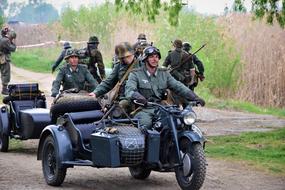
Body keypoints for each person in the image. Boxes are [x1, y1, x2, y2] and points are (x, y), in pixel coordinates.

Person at [125, 46, 205, 129]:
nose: (155, 59)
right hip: (144, 109)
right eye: (151, 57)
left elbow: (178, 86)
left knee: (178, 123)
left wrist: (195, 97)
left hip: (163, 108)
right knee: (145, 125)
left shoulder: (164, 73)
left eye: (156, 57)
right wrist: (138, 97)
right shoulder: (136, 74)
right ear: (145, 59)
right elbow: (129, 90)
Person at [89, 42, 142, 112]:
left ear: (133, 53)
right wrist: (96, 92)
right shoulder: (119, 66)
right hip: (123, 99)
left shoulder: (142, 65)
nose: (126, 59)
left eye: (128, 56)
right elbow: (109, 82)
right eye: (123, 58)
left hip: (139, 98)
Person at [0, 30, 17, 95]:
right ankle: (4, 90)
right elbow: (13, 49)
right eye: (12, 38)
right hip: (3, 59)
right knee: (6, 74)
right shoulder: (6, 40)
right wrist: (13, 43)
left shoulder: (2, 38)